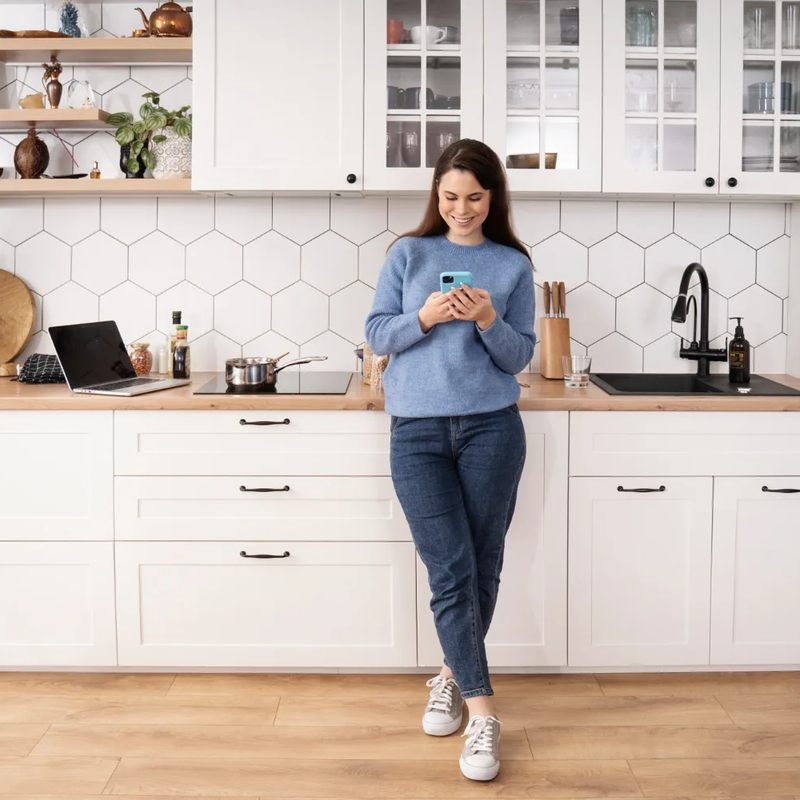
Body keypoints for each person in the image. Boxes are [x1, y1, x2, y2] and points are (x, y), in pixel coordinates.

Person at [364, 138, 535, 782]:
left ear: (494, 198)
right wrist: (425, 316)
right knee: (450, 567)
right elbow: (376, 332)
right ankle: (484, 712)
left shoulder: (511, 265)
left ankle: (449, 677)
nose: (461, 210)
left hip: (492, 428)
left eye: (474, 198)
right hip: (417, 431)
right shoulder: (408, 254)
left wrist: (489, 319)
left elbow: (519, 358)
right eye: (450, 197)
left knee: (481, 563)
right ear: (436, 196)